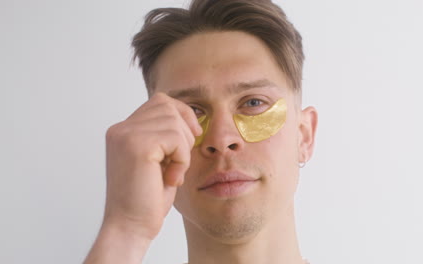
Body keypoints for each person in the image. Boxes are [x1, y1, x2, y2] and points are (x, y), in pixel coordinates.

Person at [84, 0, 317, 263]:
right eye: (192, 110)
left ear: (304, 135)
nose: (221, 140)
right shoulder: (124, 235)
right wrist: (126, 229)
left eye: (253, 103)